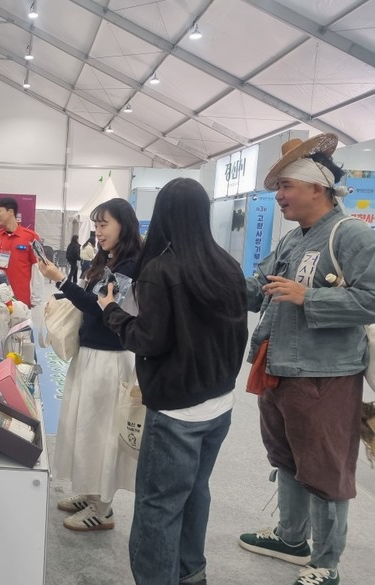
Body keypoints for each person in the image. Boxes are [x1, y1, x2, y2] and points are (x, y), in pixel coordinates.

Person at [237, 134, 375, 585]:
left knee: (325, 467)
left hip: (326, 375)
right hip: (278, 368)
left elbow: (372, 299)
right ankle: (292, 538)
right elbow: (259, 289)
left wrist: (308, 297)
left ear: (318, 188)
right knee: (286, 457)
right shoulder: (293, 239)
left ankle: (326, 562)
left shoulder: (350, 234)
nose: (278, 196)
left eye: (286, 186)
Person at [99, 178, 248, 585]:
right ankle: (191, 573)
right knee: (196, 491)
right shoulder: (227, 265)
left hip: (176, 411)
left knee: (158, 505)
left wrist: (111, 311)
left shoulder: (160, 270)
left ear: (162, 214)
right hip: (219, 404)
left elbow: (148, 339)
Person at [37, 198, 141, 531]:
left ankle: (104, 508)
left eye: (104, 224)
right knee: (85, 426)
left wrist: (61, 281)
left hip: (110, 359)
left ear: (124, 225)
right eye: (96, 226)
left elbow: (100, 307)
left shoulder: (130, 265)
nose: (98, 231)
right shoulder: (108, 259)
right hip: (91, 354)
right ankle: (90, 493)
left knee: (103, 432)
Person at [0, 197, 41, 307]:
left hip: (21, 301)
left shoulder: (31, 237)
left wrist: (36, 300)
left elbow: (38, 270)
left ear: (11, 212)